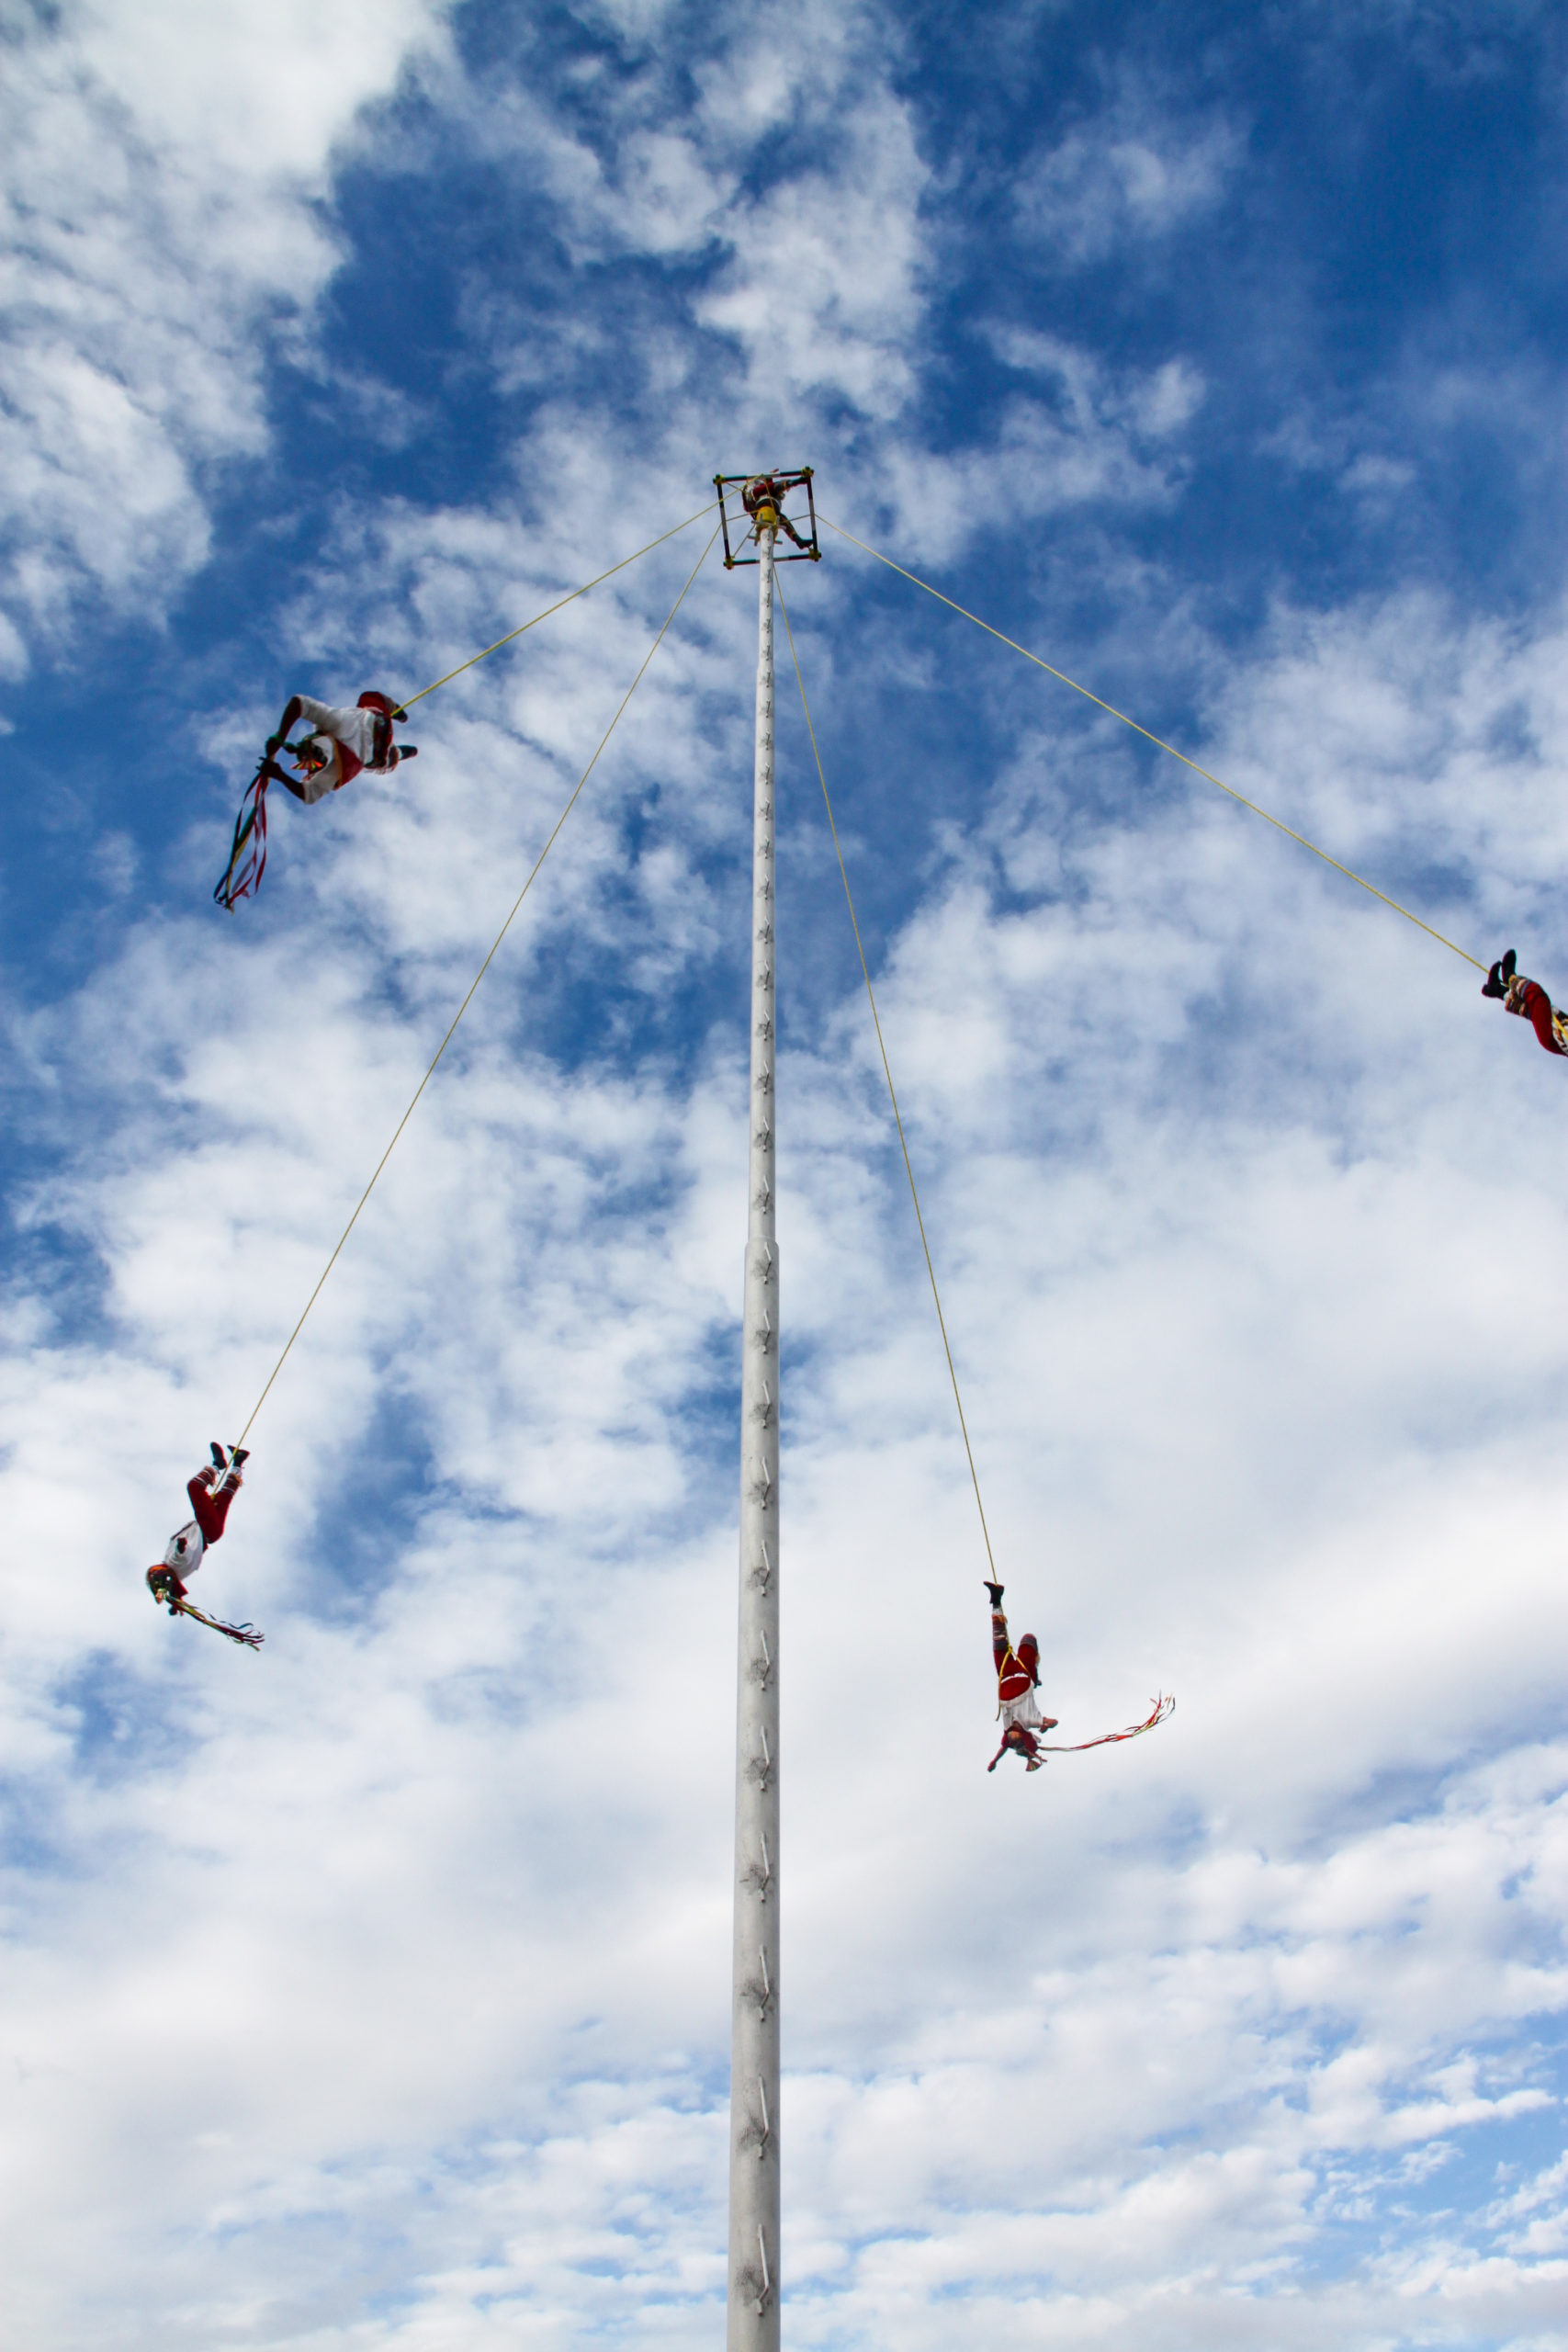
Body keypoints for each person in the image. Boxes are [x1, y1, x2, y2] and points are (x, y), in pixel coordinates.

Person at [261, 690, 418, 805]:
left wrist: (280, 737)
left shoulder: (334, 723)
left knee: (372, 701)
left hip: (375, 722)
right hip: (377, 743)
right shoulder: (338, 768)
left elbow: (299, 703)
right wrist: (279, 773)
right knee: (391, 755)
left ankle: (399, 722)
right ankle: (403, 750)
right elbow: (309, 794)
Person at [146, 1443, 250, 1611]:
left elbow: (174, 1578)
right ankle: (217, 1466)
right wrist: (181, 1548)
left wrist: (175, 1602)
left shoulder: (176, 1572)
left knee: (223, 1498)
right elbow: (180, 1557)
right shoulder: (173, 1565)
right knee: (194, 1487)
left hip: (210, 1533)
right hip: (205, 1528)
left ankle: (238, 1461)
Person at [984, 1579, 1058, 1772]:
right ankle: (1036, 1676)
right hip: (1024, 1675)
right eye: (1015, 1742)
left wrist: (995, 1762)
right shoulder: (1029, 1721)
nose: (1010, 1741)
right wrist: (1047, 1725)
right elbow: (1052, 1721)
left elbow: (1002, 1748)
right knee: (1028, 1639)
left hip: (1006, 1674)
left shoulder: (1007, 1729)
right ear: (1021, 1737)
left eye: (1010, 1743)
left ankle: (996, 1600)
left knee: (998, 1639)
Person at [1483, 948, 1568, 1057]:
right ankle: (1499, 991)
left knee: (1536, 997)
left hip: (1554, 1038)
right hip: (1559, 1033)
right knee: (1539, 1010)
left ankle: (1510, 978)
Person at [741, 474, 812, 554]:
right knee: (774, 487)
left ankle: (798, 540)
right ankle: (794, 482)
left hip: (766, 508)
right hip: (759, 502)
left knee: (782, 519)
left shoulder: (763, 488)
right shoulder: (756, 487)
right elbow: (767, 489)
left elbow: (747, 508)